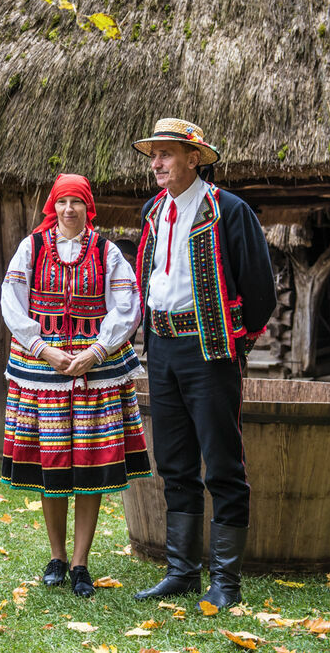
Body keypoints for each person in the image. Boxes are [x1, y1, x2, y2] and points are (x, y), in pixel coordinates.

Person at [129, 118, 275, 612]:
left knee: (224, 465)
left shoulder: (228, 210)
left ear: (195, 158)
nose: (156, 164)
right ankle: (182, 573)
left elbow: (260, 290)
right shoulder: (152, 211)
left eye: (166, 154)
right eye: (153, 156)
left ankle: (226, 583)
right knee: (174, 463)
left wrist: (237, 341)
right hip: (163, 349)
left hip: (210, 350)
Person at [0, 173, 151, 597]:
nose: (69, 210)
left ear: (88, 208)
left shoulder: (107, 252)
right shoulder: (31, 248)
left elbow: (128, 305)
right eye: (63, 202)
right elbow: (11, 300)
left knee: (87, 465)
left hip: (94, 373)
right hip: (44, 368)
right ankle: (57, 556)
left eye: (77, 202)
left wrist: (97, 351)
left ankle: (81, 562)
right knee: (52, 464)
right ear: (54, 206)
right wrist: (41, 347)